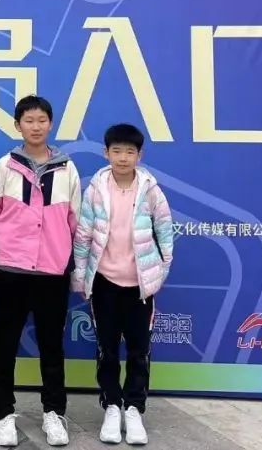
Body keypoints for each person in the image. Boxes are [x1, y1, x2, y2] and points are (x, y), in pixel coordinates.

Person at [0, 96, 82, 447]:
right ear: (18, 125)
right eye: (29, 120)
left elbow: (75, 221)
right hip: (11, 271)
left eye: (42, 120)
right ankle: (4, 412)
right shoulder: (4, 168)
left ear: (51, 124)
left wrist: (70, 264)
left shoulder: (67, 169)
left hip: (52, 273)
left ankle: (54, 413)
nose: (36, 126)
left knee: (52, 346)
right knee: (5, 343)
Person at [71, 123, 174, 446]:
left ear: (139, 155)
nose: (123, 157)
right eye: (117, 151)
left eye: (130, 152)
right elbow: (83, 235)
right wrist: (81, 275)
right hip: (104, 283)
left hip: (140, 287)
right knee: (107, 350)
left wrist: (160, 270)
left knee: (139, 351)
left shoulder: (150, 189)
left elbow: (164, 229)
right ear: (106, 153)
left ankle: (134, 409)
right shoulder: (96, 189)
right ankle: (112, 406)